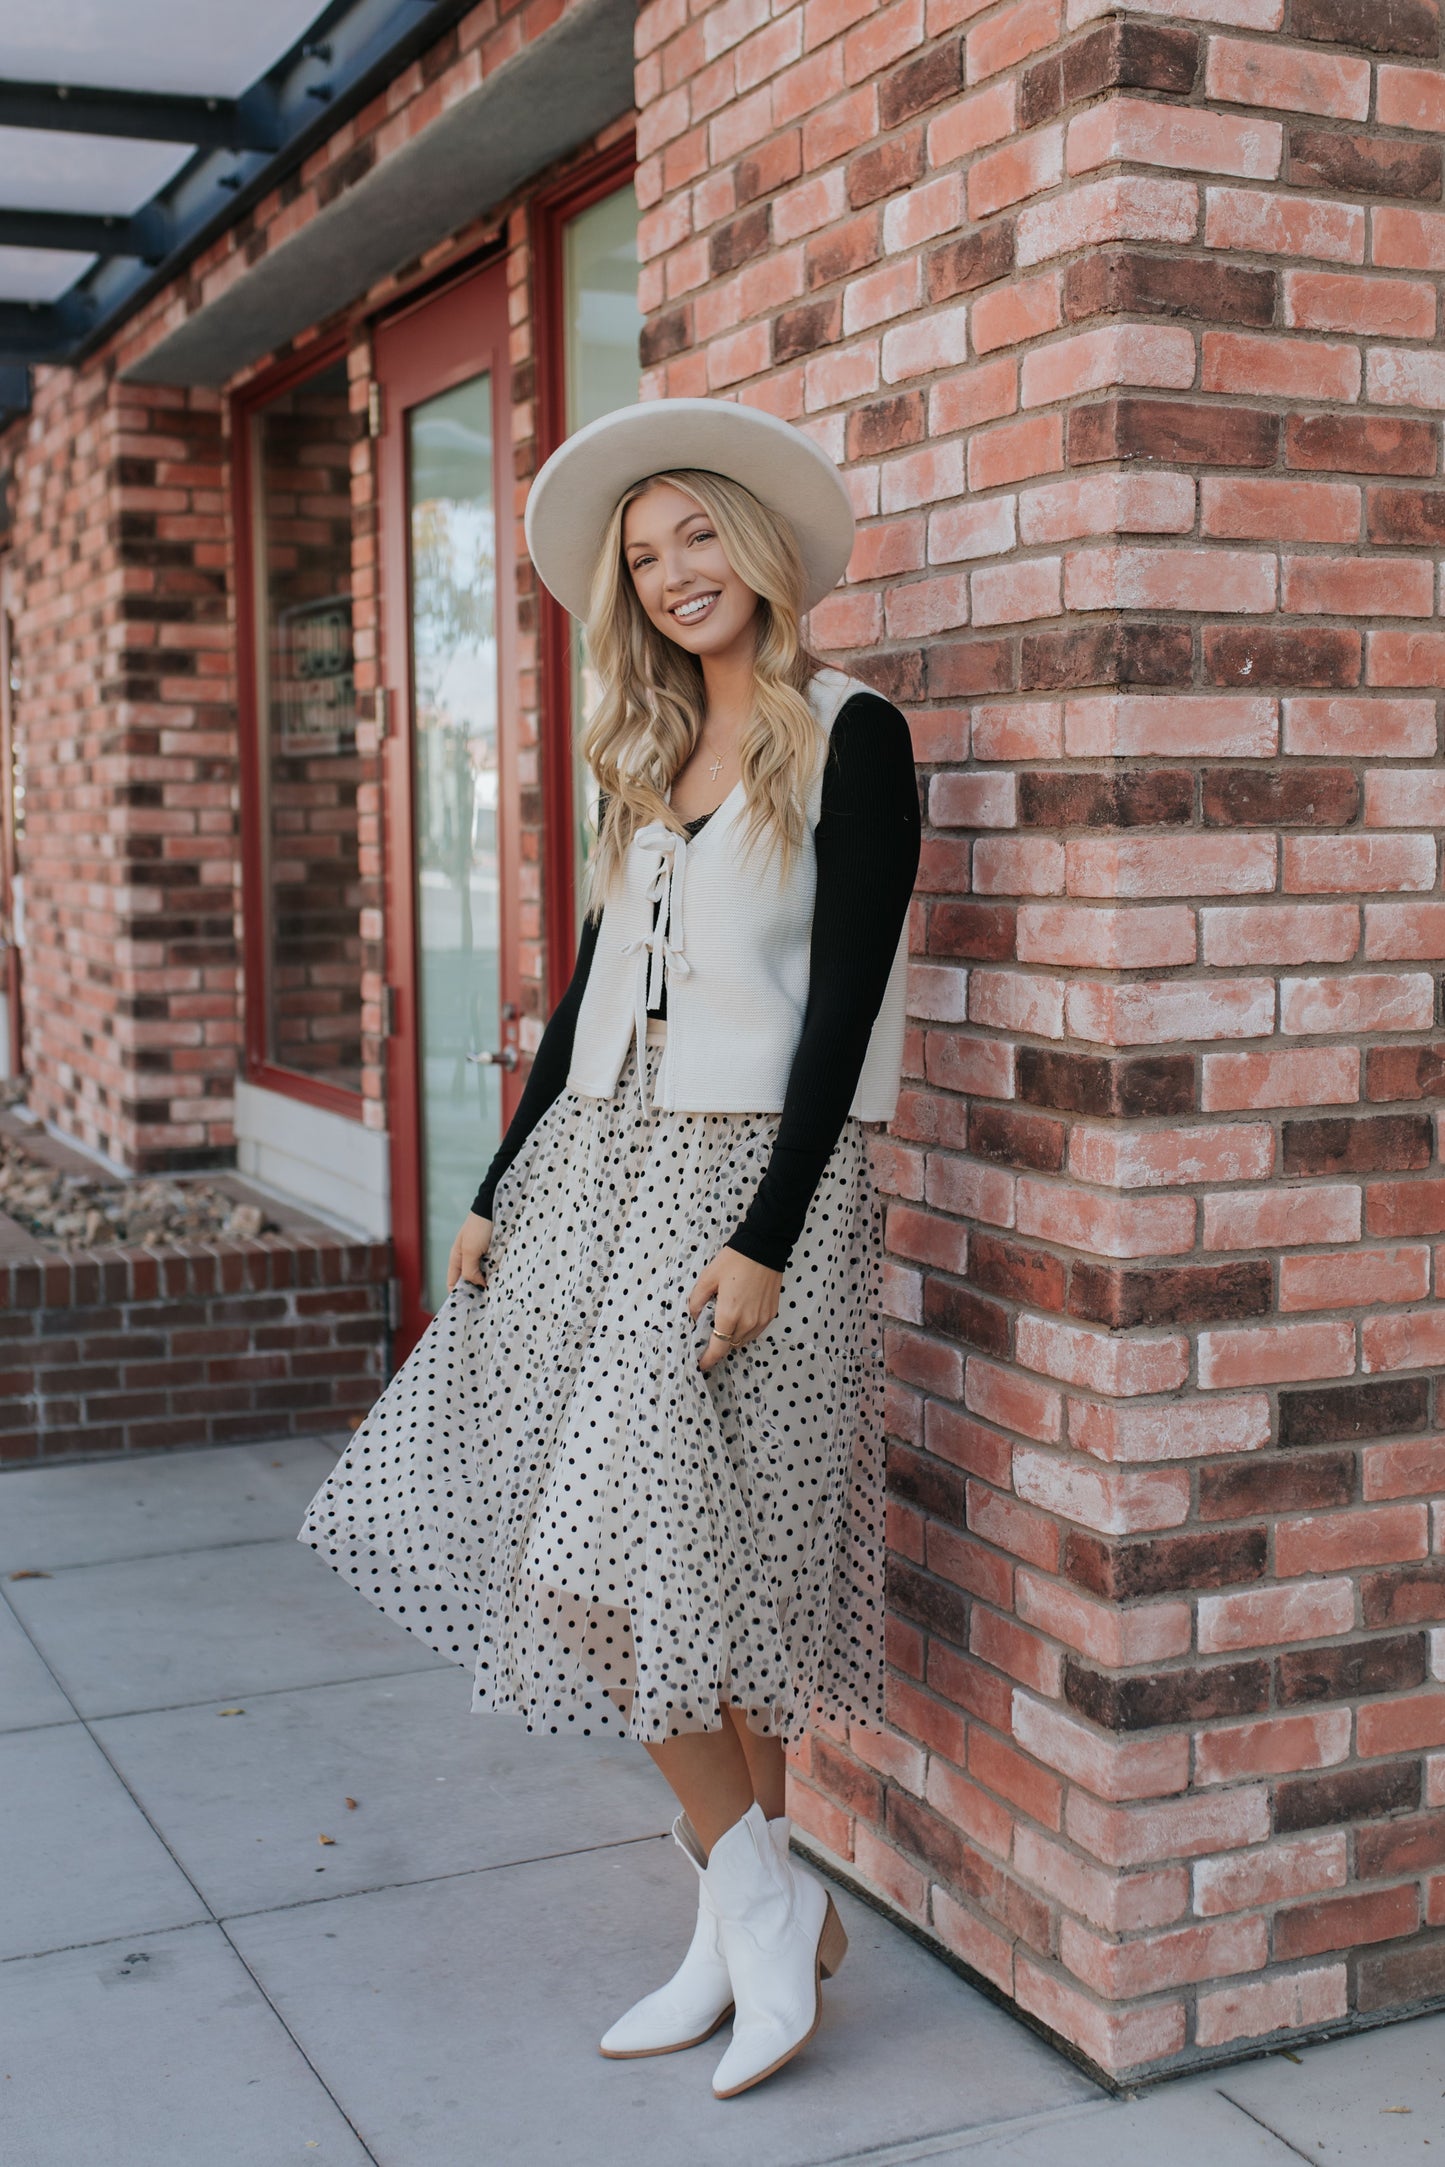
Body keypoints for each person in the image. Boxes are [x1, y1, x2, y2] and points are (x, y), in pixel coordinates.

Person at [299, 396, 920, 2099]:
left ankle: (752, 1917)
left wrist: (770, 1237)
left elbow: (844, 1007)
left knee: (695, 1547)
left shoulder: (851, 735)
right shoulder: (649, 757)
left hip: (752, 1189)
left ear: (756, 543)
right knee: (590, 1556)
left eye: (694, 537)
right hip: (597, 1172)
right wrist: (501, 1173)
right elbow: (586, 996)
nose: (670, 576)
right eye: (642, 560)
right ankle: (759, 1909)